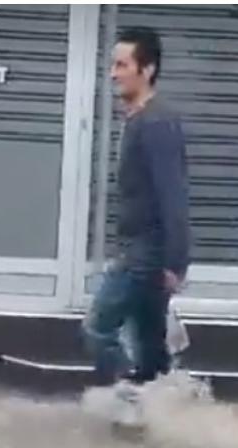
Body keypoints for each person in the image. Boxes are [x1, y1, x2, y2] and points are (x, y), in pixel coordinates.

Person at [83, 27, 191, 388]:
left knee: (98, 328)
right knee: (149, 349)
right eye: (113, 65)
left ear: (146, 70)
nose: (113, 73)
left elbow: (172, 193)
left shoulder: (156, 122)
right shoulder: (139, 119)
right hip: (142, 251)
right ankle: (162, 416)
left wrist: (176, 262)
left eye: (122, 65)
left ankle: (126, 403)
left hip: (144, 255)